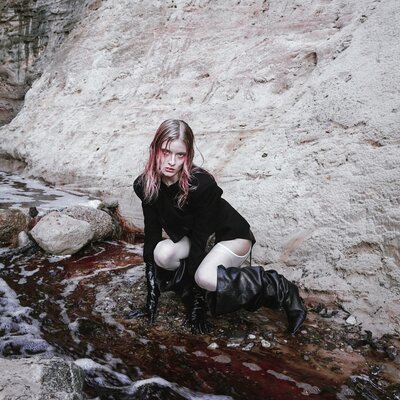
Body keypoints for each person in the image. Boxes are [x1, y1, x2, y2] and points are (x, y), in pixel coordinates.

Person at [128, 119, 306, 335]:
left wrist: (197, 307)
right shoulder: (145, 185)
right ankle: (191, 290)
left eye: (180, 155)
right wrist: (150, 302)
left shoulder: (200, 184)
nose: (171, 162)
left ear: (188, 155)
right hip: (197, 238)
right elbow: (152, 236)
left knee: (204, 277)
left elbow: (200, 244)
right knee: (161, 253)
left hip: (229, 237)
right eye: (165, 152)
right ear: (155, 148)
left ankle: (280, 288)